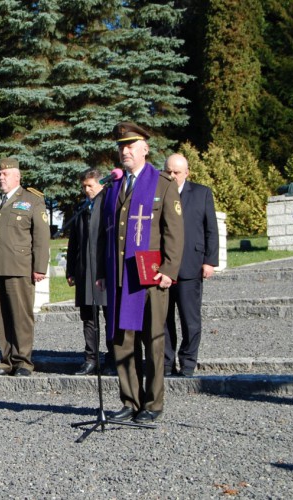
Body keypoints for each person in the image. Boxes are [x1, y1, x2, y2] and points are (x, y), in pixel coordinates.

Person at [98, 122, 184, 424]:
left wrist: (169, 270)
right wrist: (102, 271)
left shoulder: (162, 184)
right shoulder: (114, 187)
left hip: (150, 276)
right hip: (120, 276)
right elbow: (106, 235)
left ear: (145, 148)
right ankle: (129, 400)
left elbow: (174, 232)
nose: (125, 150)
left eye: (130, 145)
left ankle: (153, 402)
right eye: (121, 146)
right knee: (122, 340)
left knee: (153, 340)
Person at [0, 157, 51, 377]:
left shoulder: (31, 200)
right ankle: (6, 360)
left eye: (5, 174)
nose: (1, 177)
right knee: (0, 316)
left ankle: (23, 361)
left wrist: (39, 267)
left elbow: (41, 237)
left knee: (21, 315)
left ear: (17, 176)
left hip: (19, 267)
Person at [163, 154, 219, 377]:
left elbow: (210, 229)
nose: (172, 176)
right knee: (164, 321)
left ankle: (187, 363)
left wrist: (209, 261)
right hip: (163, 268)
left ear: (186, 172)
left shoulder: (201, 193)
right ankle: (167, 363)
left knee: (190, 319)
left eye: (177, 172)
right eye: (168, 171)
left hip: (191, 265)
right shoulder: (157, 194)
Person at [66, 168, 114, 376]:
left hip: (105, 270)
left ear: (101, 184)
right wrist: (71, 269)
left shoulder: (109, 204)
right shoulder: (81, 207)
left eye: (90, 186)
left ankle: (113, 358)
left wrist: (105, 271)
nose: (86, 190)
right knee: (88, 317)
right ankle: (91, 358)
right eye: (84, 186)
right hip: (84, 270)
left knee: (110, 316)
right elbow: (73, 242)